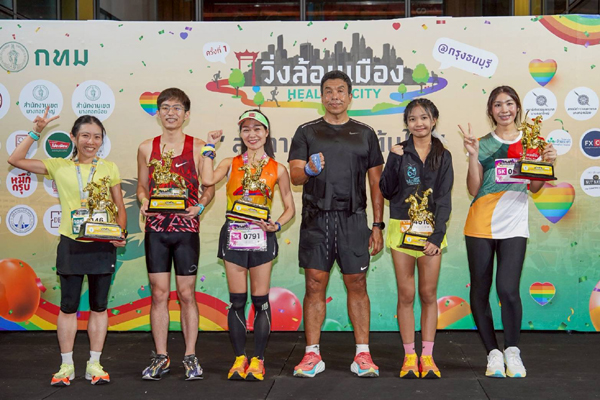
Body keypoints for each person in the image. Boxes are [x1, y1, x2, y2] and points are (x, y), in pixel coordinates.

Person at [8, 107, 127, 386]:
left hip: (102, 245)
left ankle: (94, 364)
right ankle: (66, 366)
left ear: (102, 140)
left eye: (97, 137)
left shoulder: (109, 168)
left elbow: (120, 206)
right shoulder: (59, 166)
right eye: (85, 135)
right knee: (68, 306)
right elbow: (15, 159)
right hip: (71, 244)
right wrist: (36, 131)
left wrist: (120, 232)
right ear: (73, 137)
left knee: (99, 307)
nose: (91, 142)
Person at [288, 70, 385, 378]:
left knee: (357, 283)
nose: (334, 96)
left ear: (350, 96)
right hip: (316, 218)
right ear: (321, 97)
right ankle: (312, 355)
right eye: (328, 91)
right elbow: (295, 176)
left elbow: (377, 183)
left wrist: (378, 225)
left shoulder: (365, 133)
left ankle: (363, 355)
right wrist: (309, 170)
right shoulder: (306, 132)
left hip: (353, 218)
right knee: (314, 283)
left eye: (340, 91)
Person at [459, 86, 557, 378]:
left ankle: (512, 351)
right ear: (491, 110)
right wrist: (473, 156)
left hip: (514, 225)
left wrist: (547, 163)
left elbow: (535, 187)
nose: (504, 110)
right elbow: (473, 189)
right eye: (498, 105)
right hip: (480, 224)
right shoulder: (482, 143)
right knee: (480, 290)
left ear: (517, 108)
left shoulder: (532, 142)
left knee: (507, 289)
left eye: (510, 103)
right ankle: (492, 353)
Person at [200, 109, 295, 381]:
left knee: (260, 301)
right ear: (240, 134)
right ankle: (239, 358)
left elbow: (290, 208)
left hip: (262, 236)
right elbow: (207, 180)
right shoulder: (230, 163)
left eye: (257, 129)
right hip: (234, 235)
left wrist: (277, 225)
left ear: (266, 133)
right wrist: (209, 147)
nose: (251, 134)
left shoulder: (278, 168)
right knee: (237, 301)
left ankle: (258, 359)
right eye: (246, 129)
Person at [136, 88, 216, 381]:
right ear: (158, 113)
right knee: (158, 294)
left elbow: (209, 187)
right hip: (157, 230)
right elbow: (142, 186)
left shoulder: (198, 147)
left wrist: (200, 206)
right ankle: (161, 356)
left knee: (186, 294)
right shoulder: (146, 147)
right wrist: (143, 200)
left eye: (177, 108)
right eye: (166, 108)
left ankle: (190, 356)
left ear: (187, 114)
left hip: (186, 230)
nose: (171, 113)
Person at [379, 98, 454, 379]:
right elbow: (386, 190)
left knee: (428, 294)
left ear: (434, 120)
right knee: (407, 294)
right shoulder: (399, 152)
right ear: (407, 123)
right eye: (412, 119)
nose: (418, 123)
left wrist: (437, 235)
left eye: (424, 118)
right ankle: (410, 356)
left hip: (431, 234)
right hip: (401, 229)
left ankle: (428, 356)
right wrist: (393, 160)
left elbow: (444, 199)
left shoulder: (443, 155)